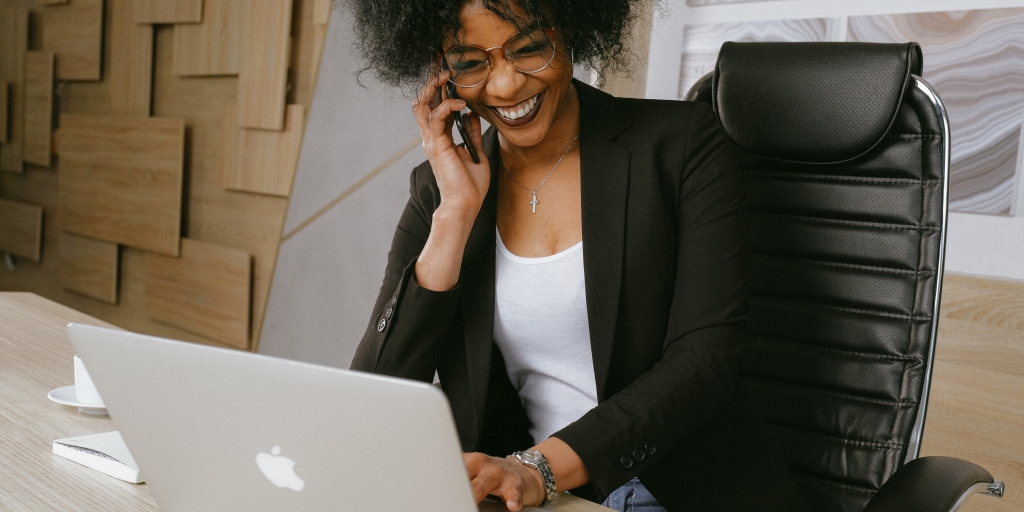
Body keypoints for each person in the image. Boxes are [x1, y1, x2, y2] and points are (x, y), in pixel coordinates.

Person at [346, 1, 809, 510]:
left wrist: (536, 468)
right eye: (471, 61)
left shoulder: (681, 147)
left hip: (677, 488)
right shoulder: (441, 191)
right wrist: (455, 214)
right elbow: (378, 393)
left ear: (570, 30)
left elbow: (705, 360)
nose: (504, 86)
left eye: (528, 49)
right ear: (441, 70)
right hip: (524, 498)